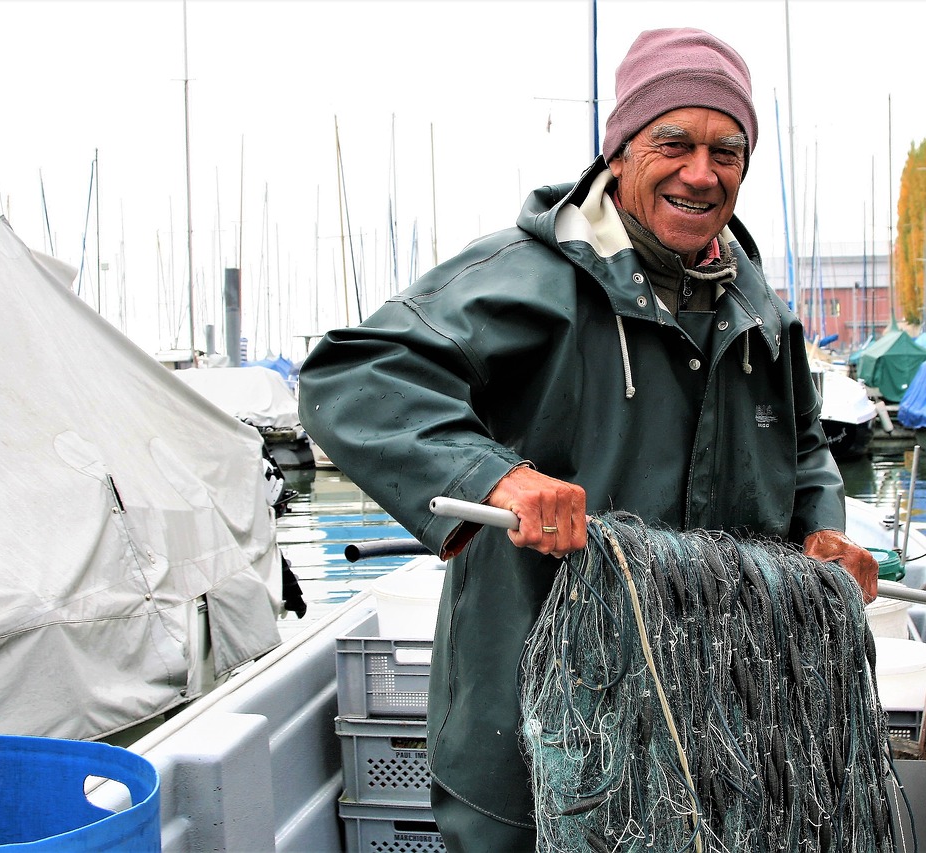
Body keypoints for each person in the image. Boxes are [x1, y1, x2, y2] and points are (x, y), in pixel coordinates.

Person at [298, 27, 878, 852]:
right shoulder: (522, 277)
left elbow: (807, 445)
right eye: (672, 142)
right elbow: (350, 378)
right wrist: (496, 477)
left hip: (713, 731)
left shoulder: (762, 313)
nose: (701, 172)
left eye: (728, 150)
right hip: (530, 726)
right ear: (618, 151)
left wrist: (824, 529)